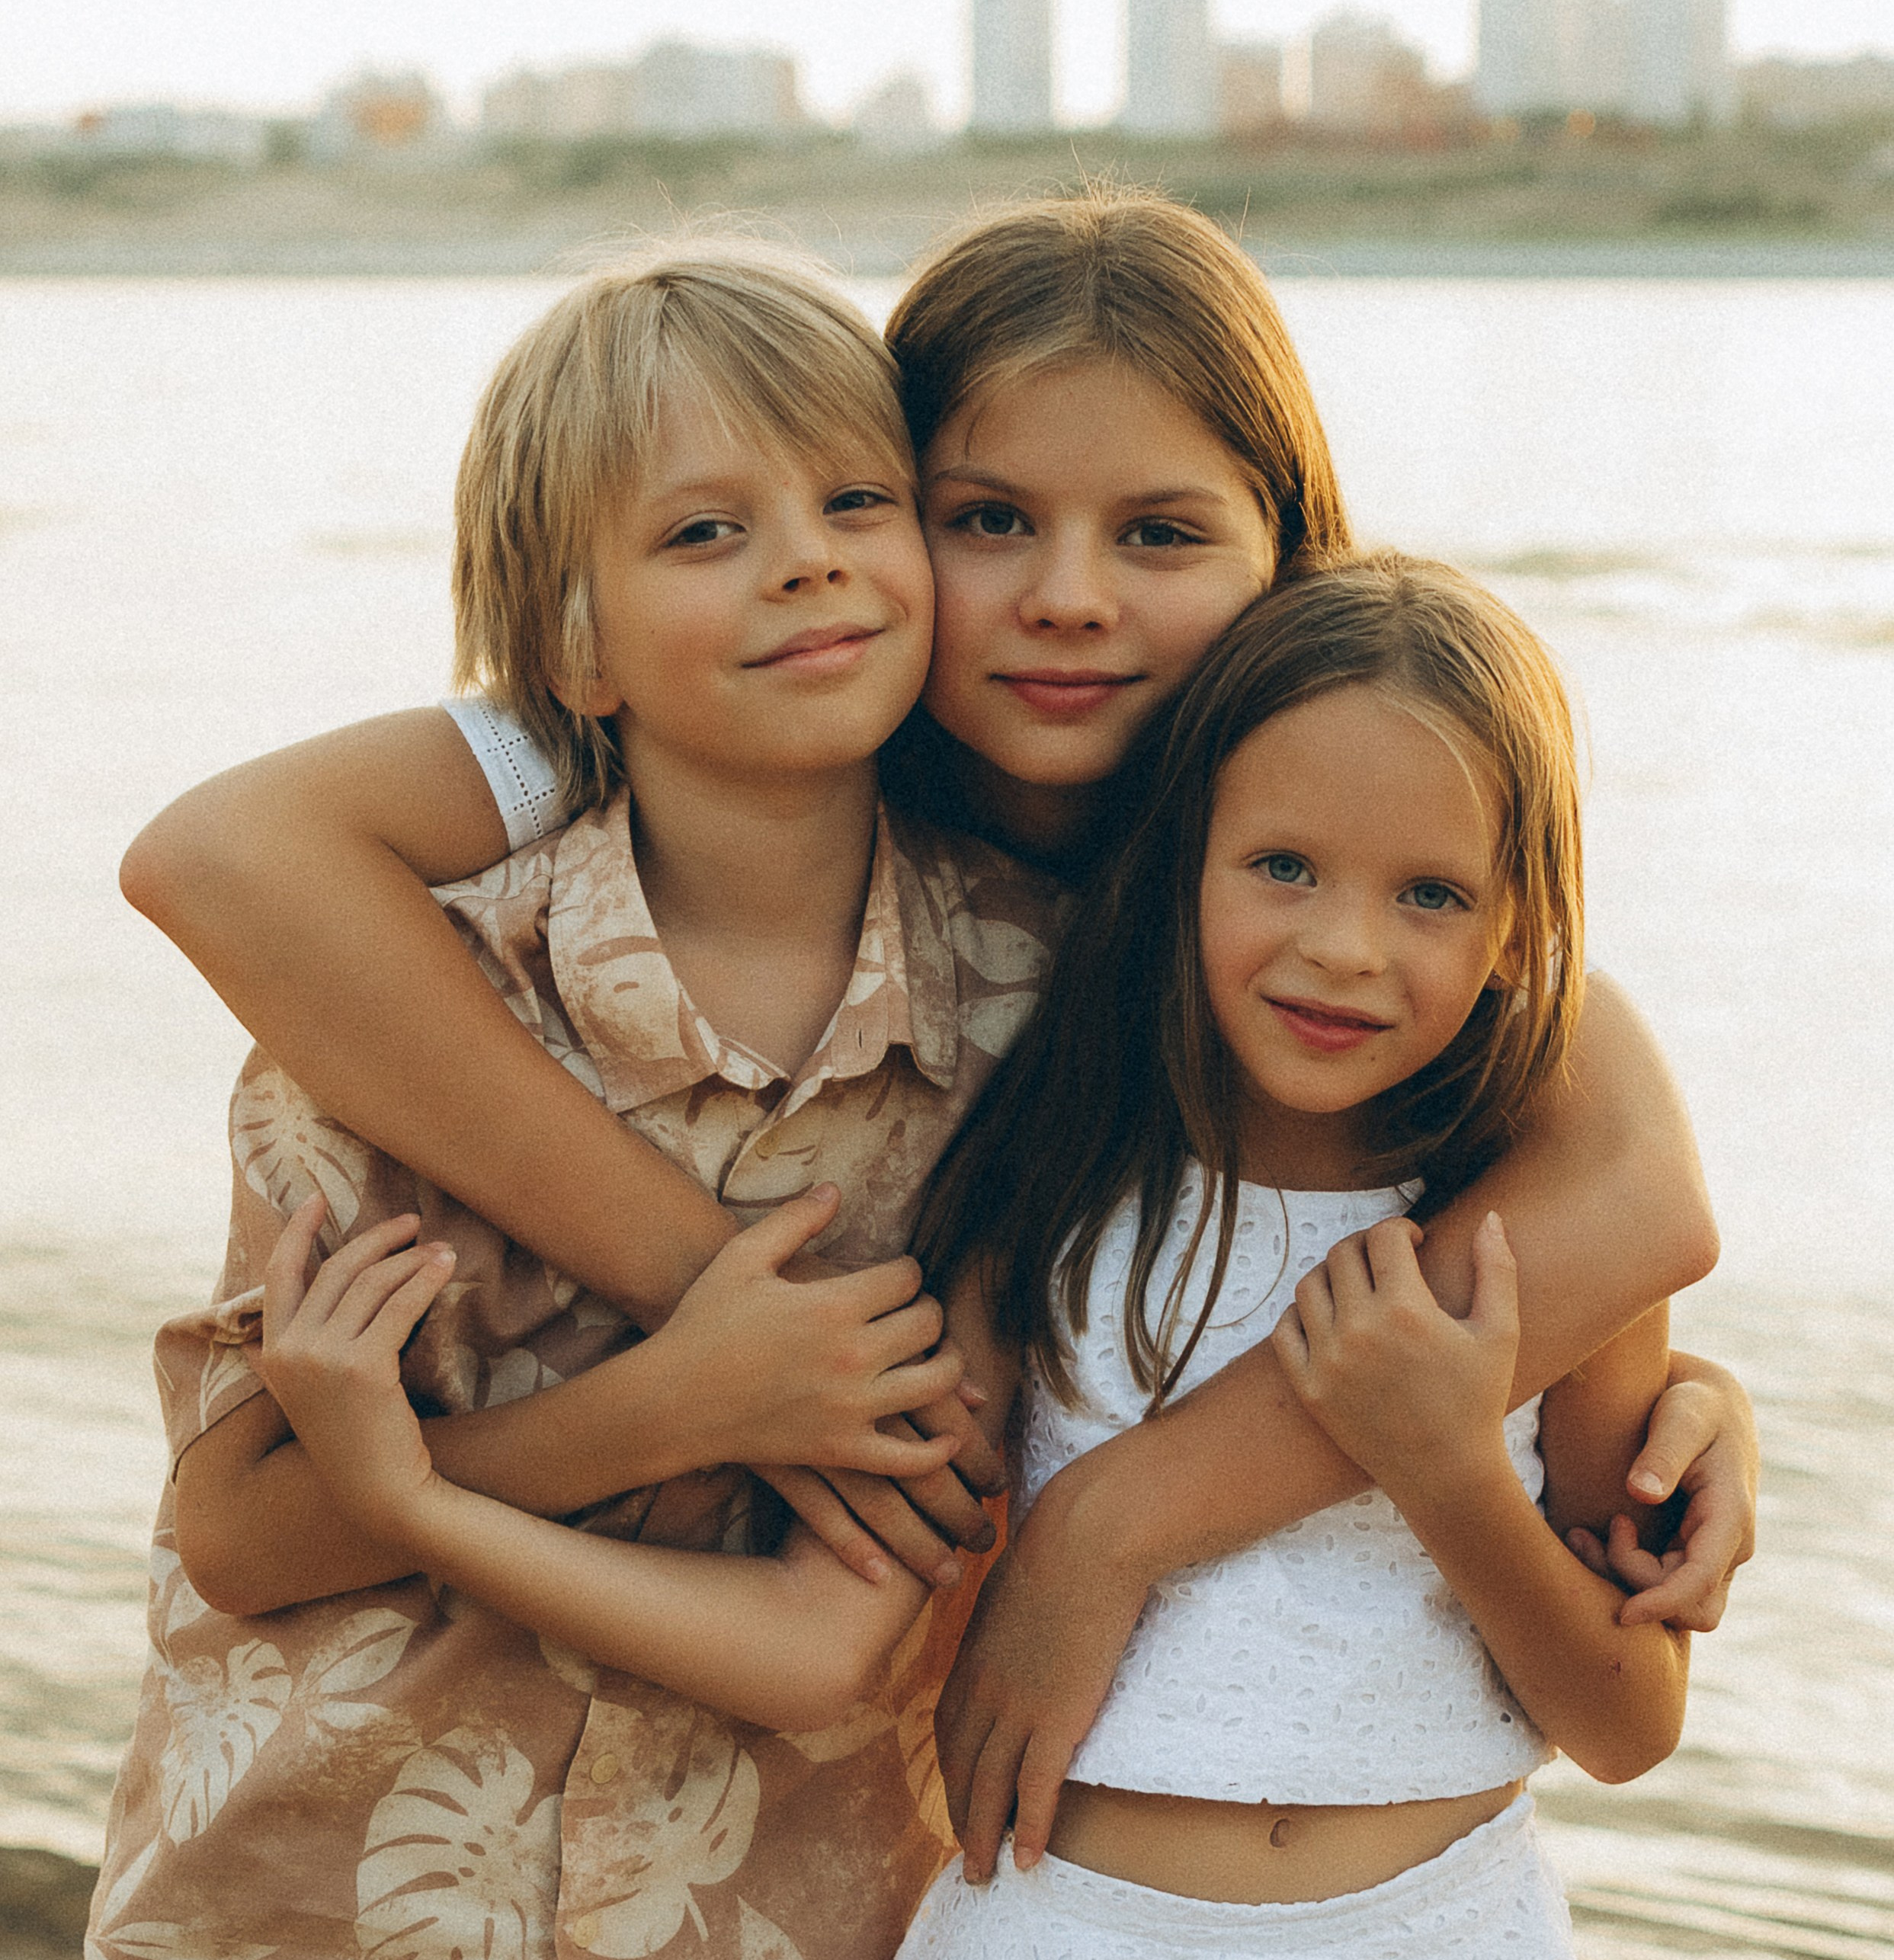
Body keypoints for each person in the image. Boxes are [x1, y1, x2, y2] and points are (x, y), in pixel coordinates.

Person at [119, 194, 1755, 1667]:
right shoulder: (706, 733)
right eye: (986, 519)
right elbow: (223, 851)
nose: (1067, 597)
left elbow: (1633, 1185)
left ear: (1288, 555)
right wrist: (730, 1309)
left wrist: (1117, 1528)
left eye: (1161, 533)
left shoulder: (1296, 904)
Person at [43, 247, 1068, 1960]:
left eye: (855, 507)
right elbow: (239, 1534)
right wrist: (663, 1409)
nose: (805, 567)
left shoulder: (1032, 1019)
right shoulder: (407, 998)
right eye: (707, 532)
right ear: (569, 652)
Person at [798, 555, 1717, 1960]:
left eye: (1433, 893)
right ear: (1180, 865)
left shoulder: (1529, 1243)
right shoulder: (1056, 1183)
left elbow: (1624, 1719)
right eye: (1280, 865)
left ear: (1526, 924)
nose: (1344, 947)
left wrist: (1448, 1466)